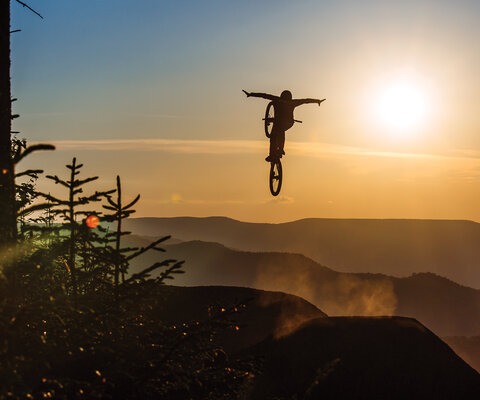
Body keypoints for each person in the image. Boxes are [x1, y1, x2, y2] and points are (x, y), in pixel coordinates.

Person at [243, 89, 325, 161]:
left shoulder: (277, 99)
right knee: (276, 133)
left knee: (277, 132)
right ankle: (276, 152)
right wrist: (317, 101)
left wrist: (251, 94)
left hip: (283, 122)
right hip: (286, 122)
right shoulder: (292, 102)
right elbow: (305, 101)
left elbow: (264, 95)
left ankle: (276, 152)